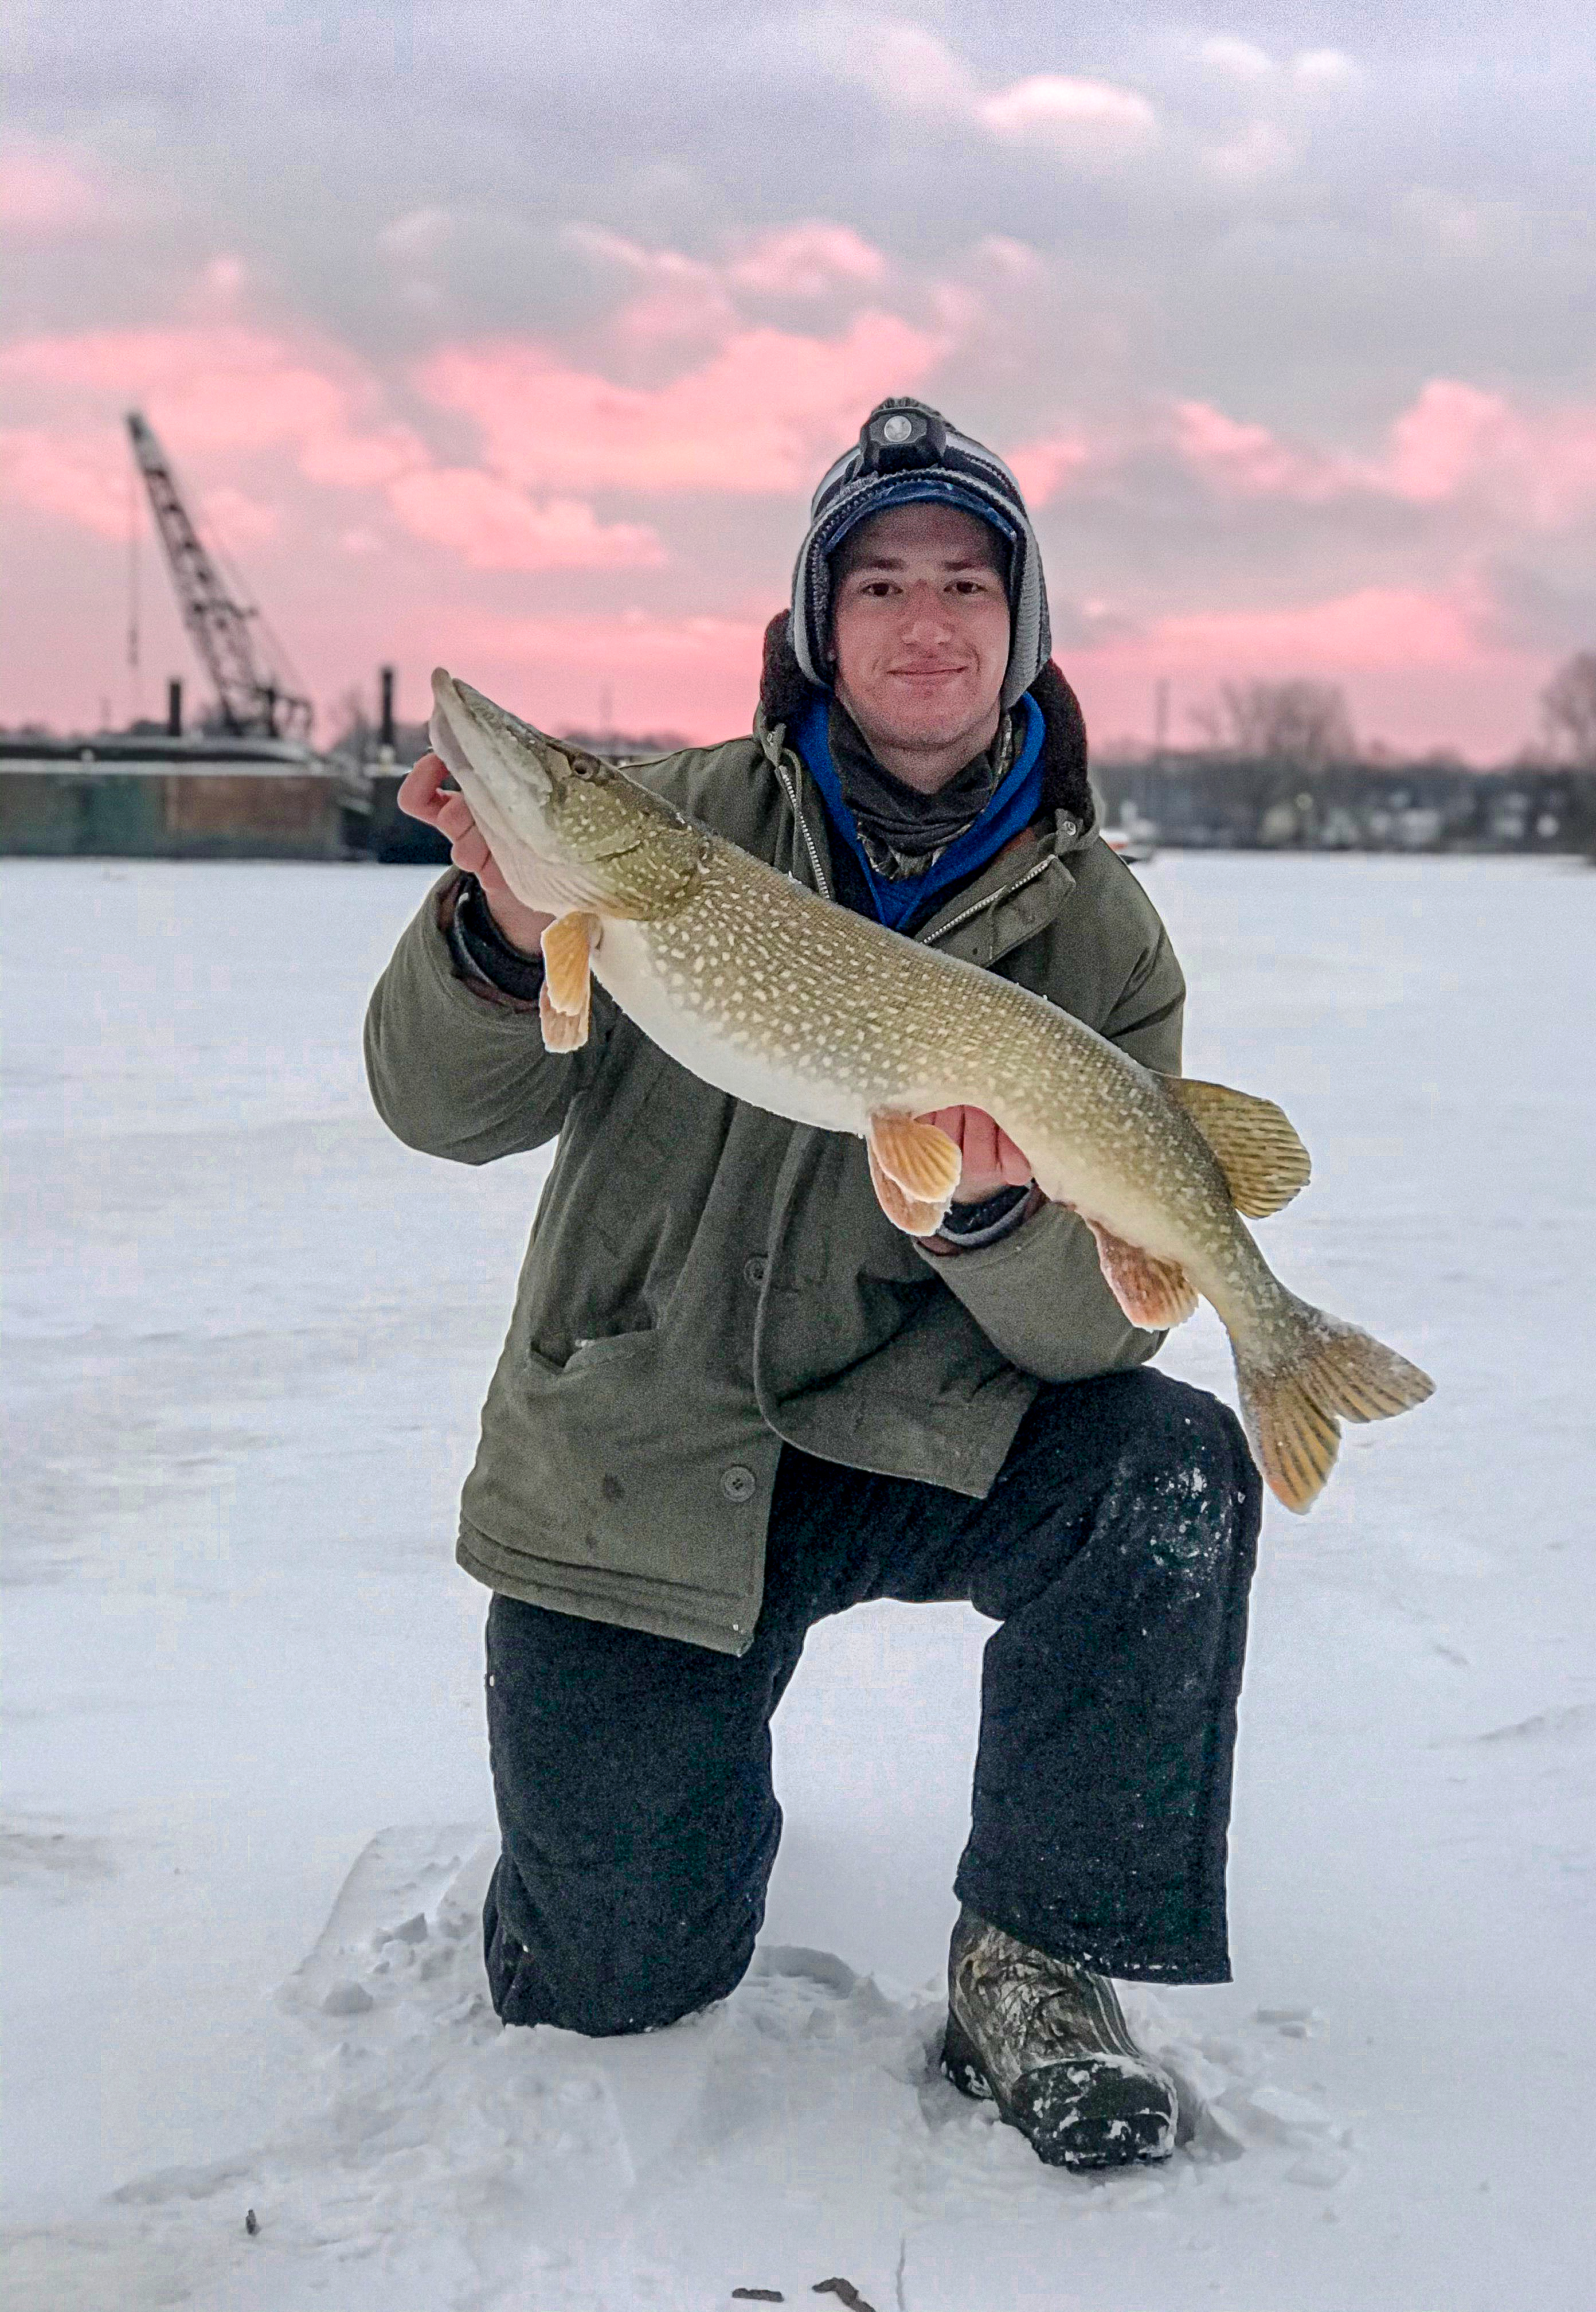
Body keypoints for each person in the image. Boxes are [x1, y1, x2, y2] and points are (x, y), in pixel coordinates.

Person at [365, 398, 1261, 2172]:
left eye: (965, 585)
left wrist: (994, 1221)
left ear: (1021, 627)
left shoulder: (1102, 937)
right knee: (611, 1976)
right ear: (817, 630)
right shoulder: (667, 837)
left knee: (1162, 1469)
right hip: (642, 1445)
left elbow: (1103, 1331)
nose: (926, 622)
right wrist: (491, 922)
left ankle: (1040, 1957)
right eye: (877, 585)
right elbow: (435, 1110)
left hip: (902, 1437)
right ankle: (628, 1827)